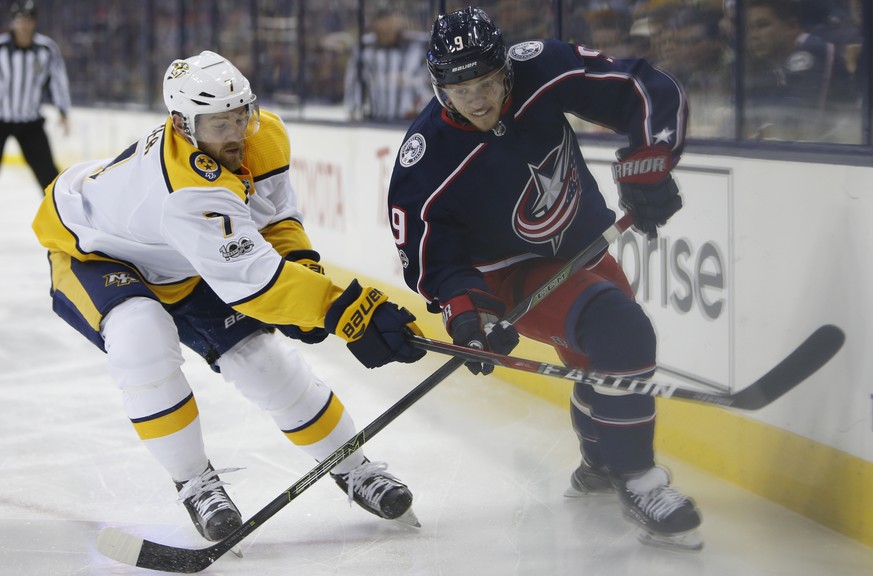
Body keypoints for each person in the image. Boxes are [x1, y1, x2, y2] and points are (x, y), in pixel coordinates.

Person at [31, 50, 425, 543]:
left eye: (242, 114)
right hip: (94, 252)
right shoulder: (185, 189)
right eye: (220, 123)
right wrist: (344, 311)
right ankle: (195, 482)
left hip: (179, 253)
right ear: (182, 124)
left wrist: (305, 275)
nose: (237, 133)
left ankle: (354, 466)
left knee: (261, 359)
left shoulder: (265, 136)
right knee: (141, 337)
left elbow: (276, 220)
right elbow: (256, 283)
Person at [387, 7, 702, 551]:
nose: (480, 99)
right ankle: (638, 479)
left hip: (581, 245)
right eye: (462, 89)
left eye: (487, 82)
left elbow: (640, 88)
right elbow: (431, 259)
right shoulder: (425, 160)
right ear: (438, 86)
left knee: (600, 360)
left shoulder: (540, 68)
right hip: (512, 277)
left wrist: (650, 157)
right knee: (624, 333)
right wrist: (469, 311)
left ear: (506, 68)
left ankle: (600, 462)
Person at [745, 0, 854, 141]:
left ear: (792, 27)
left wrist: (755, 132)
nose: (754, 35)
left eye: (762, 25)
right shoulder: (777, 65)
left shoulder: (812, 50)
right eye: (750, 28)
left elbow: (796, 121)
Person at [0, 0, 70, 191]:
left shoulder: (46, 49)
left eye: (29, 19)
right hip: (1, 118)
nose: (24, 24)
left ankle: (58, 217)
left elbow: (58, 81)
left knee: (49, 177)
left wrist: (63, 111)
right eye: (20, 19)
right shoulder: (2, 48)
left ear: (34, 22)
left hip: (30, 121)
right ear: (13, 21)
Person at [343, 3, 432, 121]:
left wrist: (410, 83)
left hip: (413, 120)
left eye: (393, 20)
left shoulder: (419, 46)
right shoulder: (364, 48)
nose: (389, 27)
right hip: (376, 120)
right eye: (384, 22)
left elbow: (430, 84)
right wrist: (353, 110)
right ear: (376, 24)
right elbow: (353, 84)